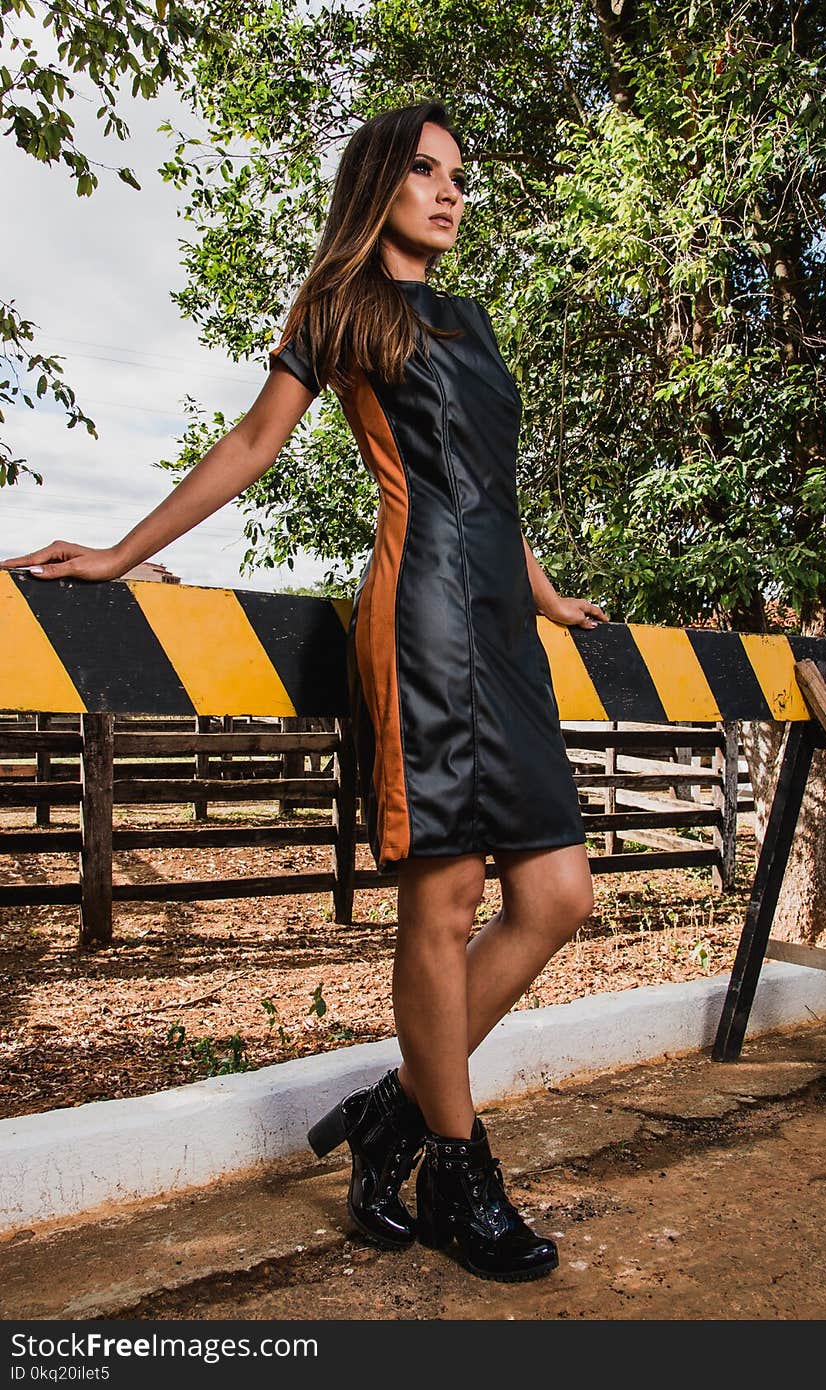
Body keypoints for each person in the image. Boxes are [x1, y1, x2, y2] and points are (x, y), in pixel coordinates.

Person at [1, 100, 609, 1284]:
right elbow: (248, 443)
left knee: (559, 894)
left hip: (503, 623)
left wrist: (542, 595)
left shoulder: (472, 319)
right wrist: (122, 554)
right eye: (425, 170)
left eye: (459, 177)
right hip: (423, 617)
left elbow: (497, 485)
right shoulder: (338, 308)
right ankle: (454, 1161)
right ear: (379, 180)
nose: (448, 192)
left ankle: (390, 1112)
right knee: (443, 904)